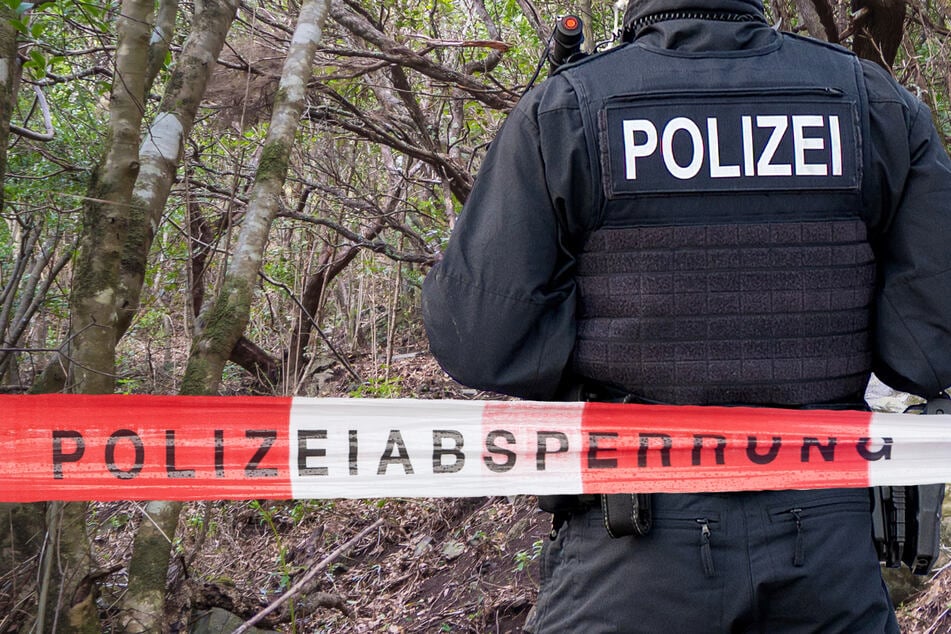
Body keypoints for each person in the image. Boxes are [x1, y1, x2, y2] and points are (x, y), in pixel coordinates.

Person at [421, 0, 951, 631]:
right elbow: (929, 345)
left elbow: (480, 339)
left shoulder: (569, 109)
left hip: (632, 550)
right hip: (828, 544)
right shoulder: (871, 102)